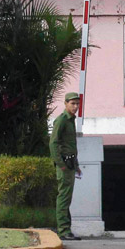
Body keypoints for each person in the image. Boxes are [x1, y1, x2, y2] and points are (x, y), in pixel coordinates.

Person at [50, 92, 82, 241]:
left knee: (66, 198)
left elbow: (71, 146)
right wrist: (61, 164)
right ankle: (63, 230)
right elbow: (53, 143)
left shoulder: (71, 120)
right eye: (72, 104)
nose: (75, 107)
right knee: (63, 198)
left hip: (70, 164)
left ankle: (66, 229)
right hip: (64, 165)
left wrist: (76, 165)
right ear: (66, 104)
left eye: (77, 104)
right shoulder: (62, 120)